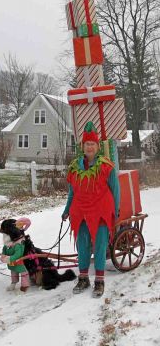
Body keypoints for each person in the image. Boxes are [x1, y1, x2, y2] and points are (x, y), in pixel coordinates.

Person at [62, 121, 120, 297]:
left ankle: (100, 281)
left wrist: (115, 212)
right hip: (80, 213)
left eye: (92, 144)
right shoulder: (74, 168)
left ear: (97, 146)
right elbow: (72, 192)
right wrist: (66, 210)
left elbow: (115, 190)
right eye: (87, 144)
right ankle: (83, 278)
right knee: (83, 245)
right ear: (82, 146)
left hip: (101, 212)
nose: (90, 147)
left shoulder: (106, 166)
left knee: (101, 246)